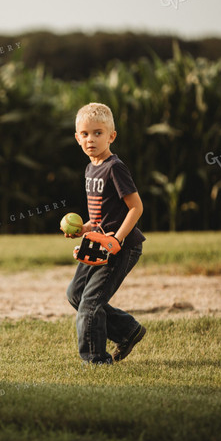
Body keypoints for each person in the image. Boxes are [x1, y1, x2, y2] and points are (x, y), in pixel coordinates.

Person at [65, 103, 146, 365]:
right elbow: (103, 215)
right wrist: (86, 228)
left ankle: (96, 361)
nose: (91, 139)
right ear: (77, 138)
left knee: (90, 303)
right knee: (76, 295)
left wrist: (117, 239)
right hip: (97, 243)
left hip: (121, 246)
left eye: (98, 133)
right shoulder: (91, 169)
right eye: (85, 134)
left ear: (111, 136)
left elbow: (136, 207)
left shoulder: (114, 167)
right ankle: (127, 331)